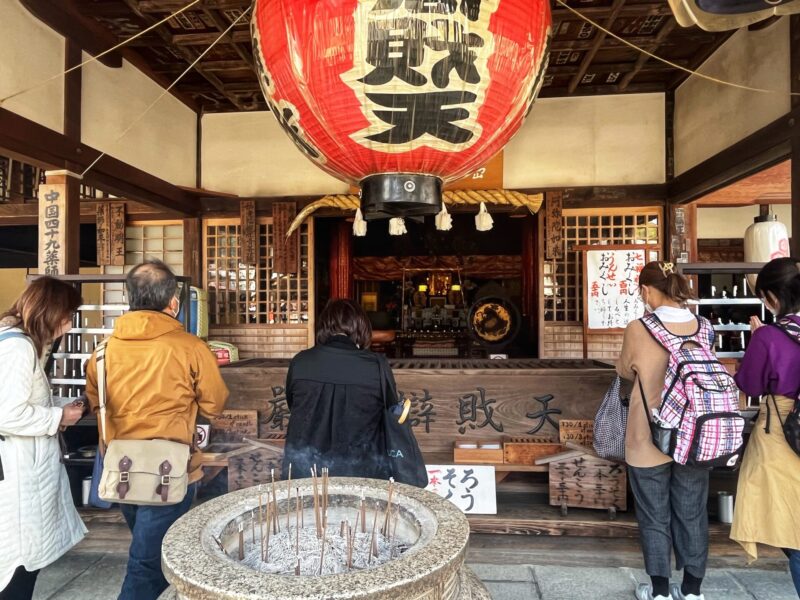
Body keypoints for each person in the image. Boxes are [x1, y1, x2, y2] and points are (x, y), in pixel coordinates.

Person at [84, 260, 229, 600]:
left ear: (128, 297)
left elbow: (96, 403)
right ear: (174, 303)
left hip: (121, 468)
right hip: (171, 470)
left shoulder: (103, 352)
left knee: (149, 553)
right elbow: (215, 404)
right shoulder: (191, 348)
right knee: (148, 565)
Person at [617, 262, 711, 600]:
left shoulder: (638, 328)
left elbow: (626, 372)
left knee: (654, 514)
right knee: (692, 511)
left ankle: (658, 592)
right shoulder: (703, 326)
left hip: (649, 435)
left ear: (645, 290)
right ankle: (692, 590)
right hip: (694, 435)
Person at [0, 277, 87, 600]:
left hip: (22, 465)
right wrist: (58, 417)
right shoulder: (17, 348)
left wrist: (57, 408)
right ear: (49, 312)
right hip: (19, 472)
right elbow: (7, 415)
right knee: (19, 562)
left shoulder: (14, 340)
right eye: (66, 317)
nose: (67, 327)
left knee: (24, 561)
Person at [731, 257, 800, 595]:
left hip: (783, 434)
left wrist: (760, 343)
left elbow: (750, 385)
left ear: (771, 297)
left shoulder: (770, 337)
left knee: (794, 531)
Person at [282, 298, 389, 480]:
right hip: (361, 471)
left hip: (304, 470)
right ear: (362, 328)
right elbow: (390, 413)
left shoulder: (301, 361)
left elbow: (294, 406)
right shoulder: (376, 366)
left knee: (305, 509)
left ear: (323, 327)